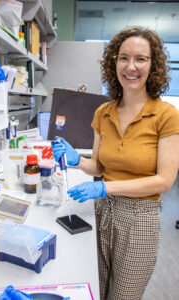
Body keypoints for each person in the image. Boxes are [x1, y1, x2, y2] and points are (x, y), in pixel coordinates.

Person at [51, 27, 179, 300]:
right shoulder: (103, 112)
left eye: (141, 59)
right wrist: (77, 160)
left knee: (123, 296)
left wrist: (106, 188)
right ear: (114, 62)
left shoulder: (166, 115)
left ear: (153, 65)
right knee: (95, 289)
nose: (131, 67)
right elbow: (98, 166)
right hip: (101, 213)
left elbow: (164, 181)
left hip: (140, 219)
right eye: (123, 58)